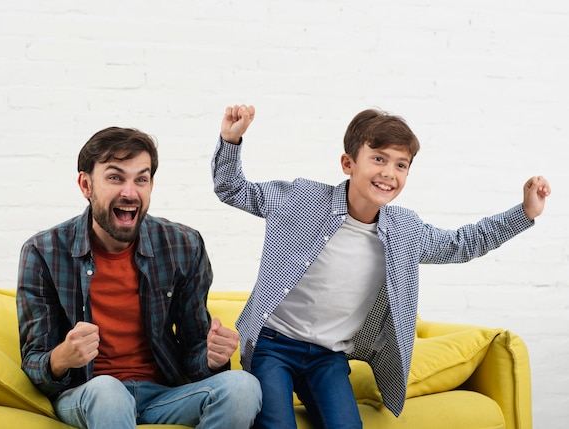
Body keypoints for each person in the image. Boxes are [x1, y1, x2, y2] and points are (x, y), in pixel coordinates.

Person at [211, 104, 551, 429]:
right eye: (378, 159)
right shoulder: (302, 199)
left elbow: (461, 244)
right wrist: (231, 140)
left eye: (401, 165)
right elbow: (233, 189)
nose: (389, 173)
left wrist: (523, 213)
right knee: (277, 424)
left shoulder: (404, 230)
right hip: (274, 344)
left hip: (328, 357)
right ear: (348, 163)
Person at [17, 126, 262, 429]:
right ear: (86, 184)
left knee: (243, 387)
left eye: (141, 179)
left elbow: (193, 351)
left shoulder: (183, 245)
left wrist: (212, 358)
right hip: (88, 393)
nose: (130, 192)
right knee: (108, 391)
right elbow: (34, 362)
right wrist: (62, 358)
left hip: (162, 395)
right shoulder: (44, 251)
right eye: (115, 177)